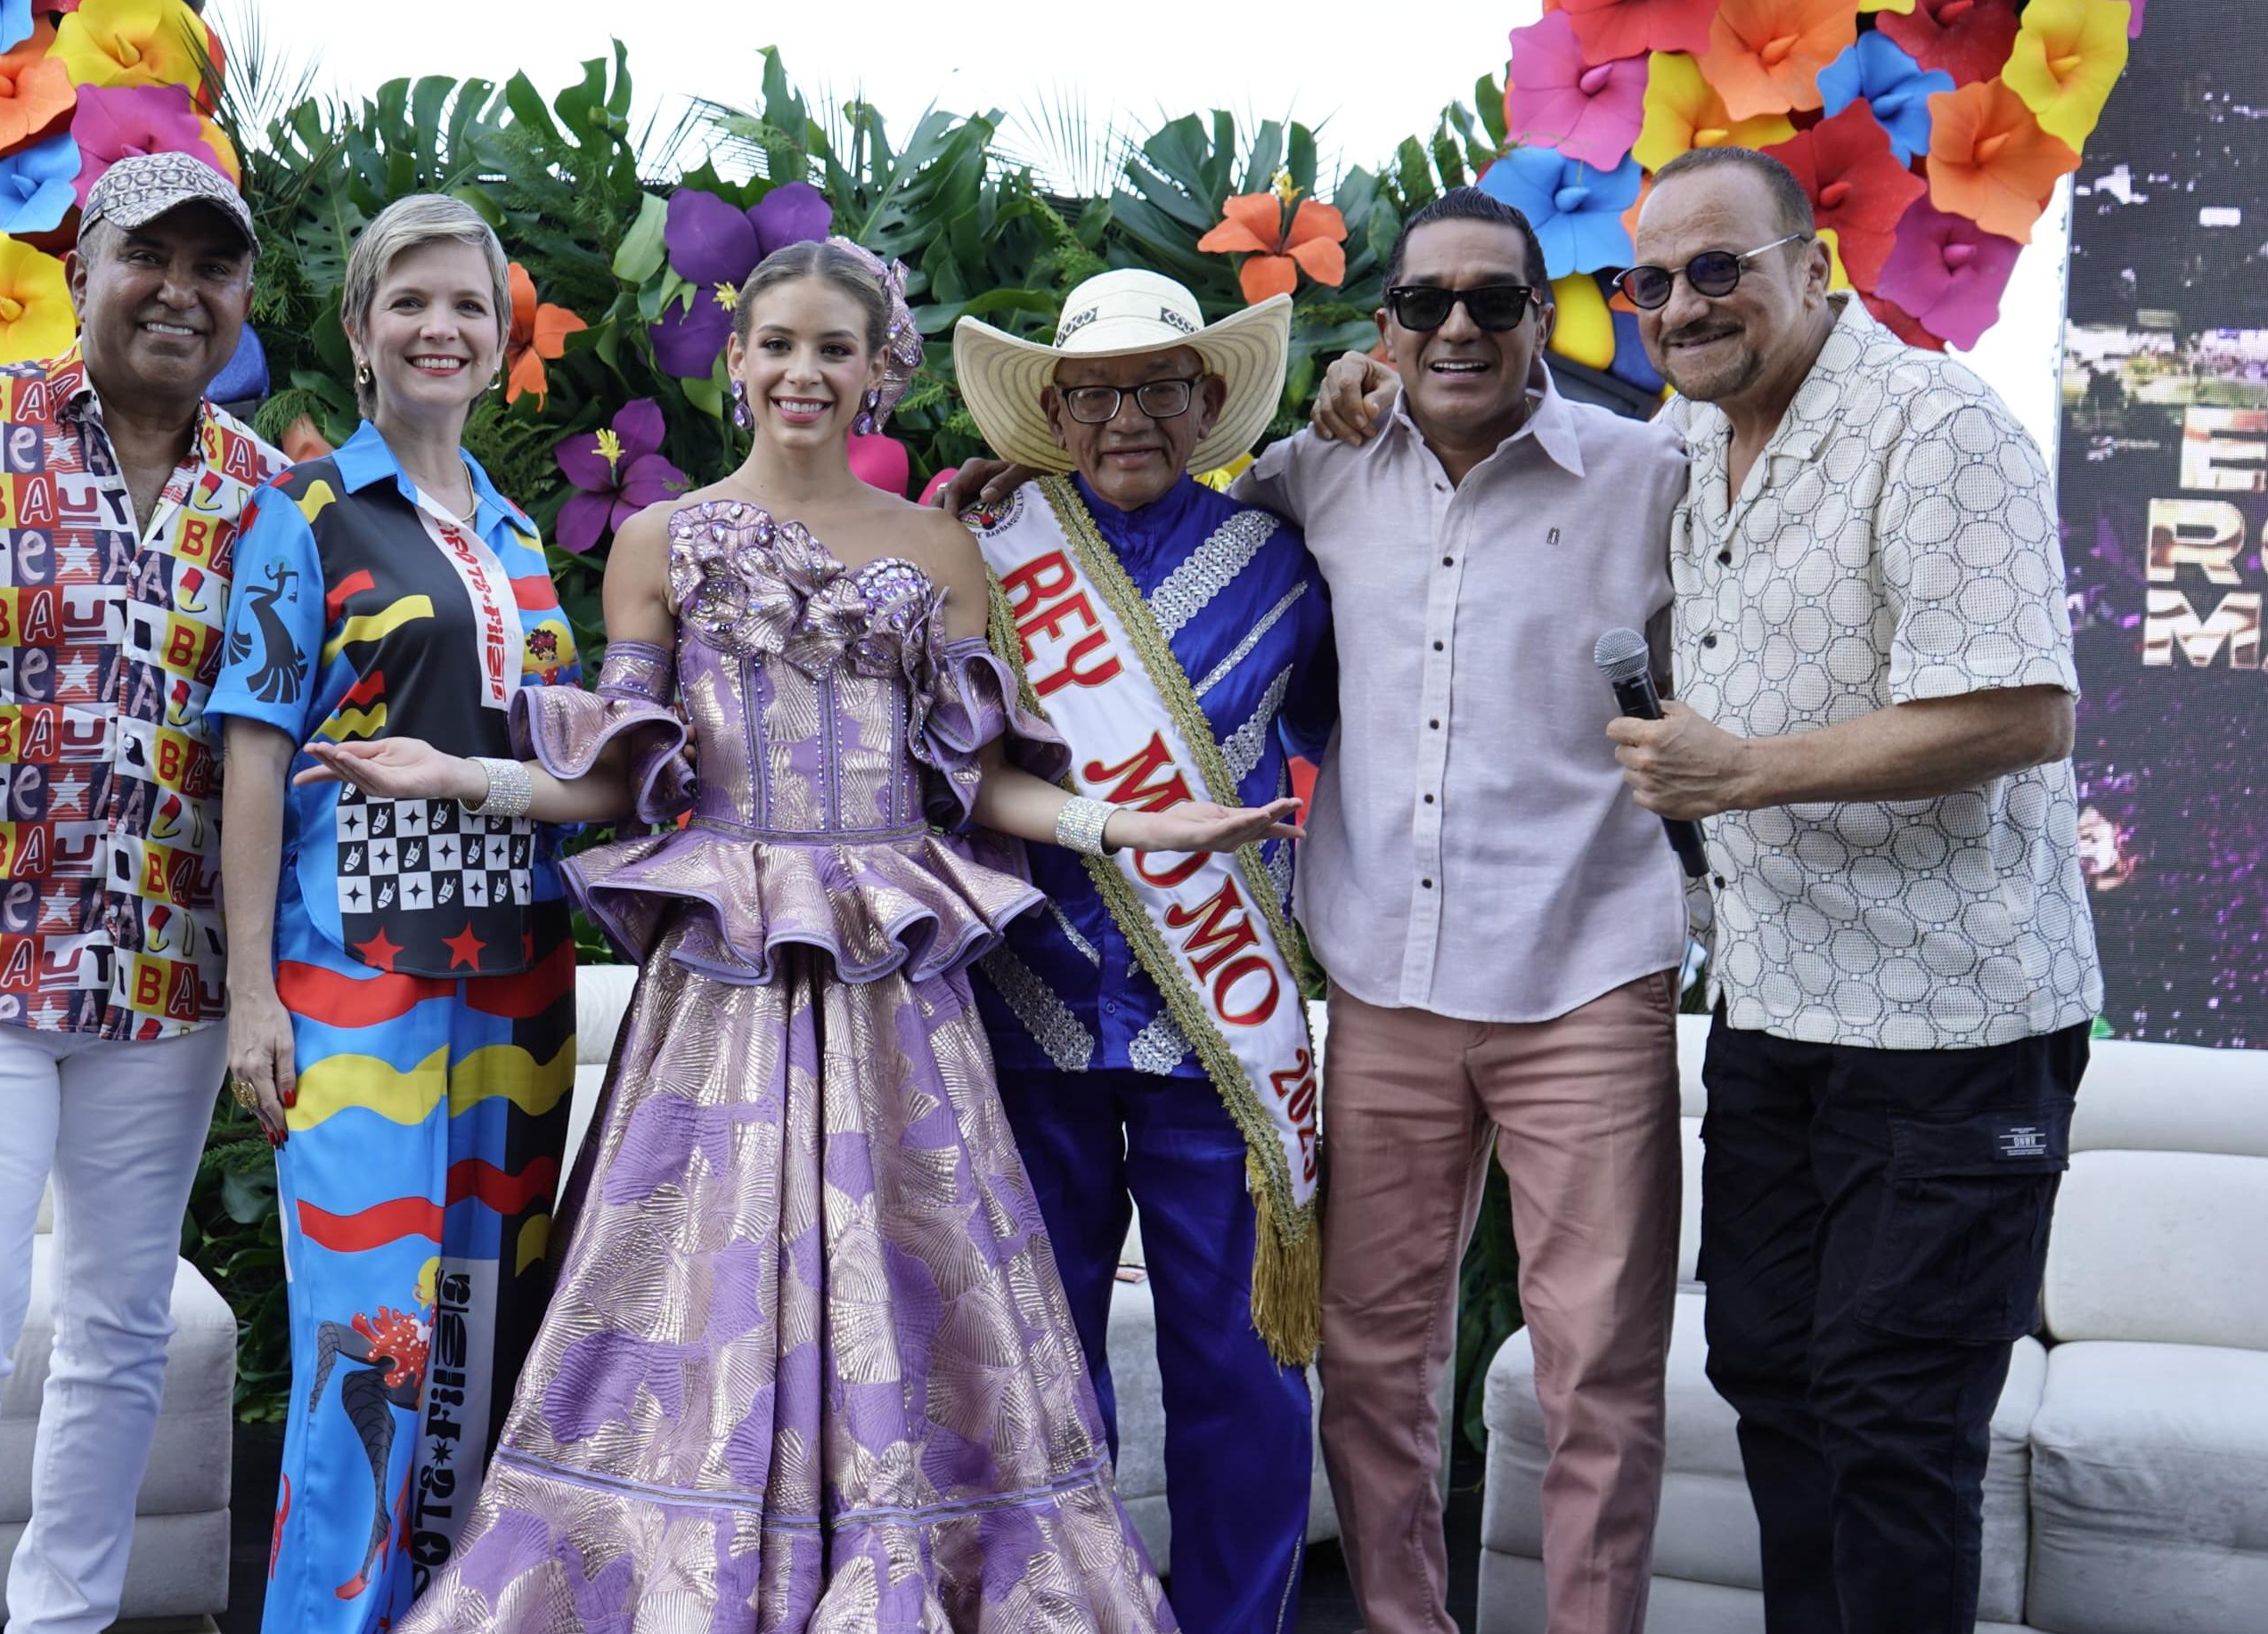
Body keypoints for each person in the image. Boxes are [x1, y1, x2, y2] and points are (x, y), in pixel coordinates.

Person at [330, 236, 1301, 1632]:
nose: (803, 370)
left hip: (894, 989)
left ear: (879, 372)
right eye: (776, 343)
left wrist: (1133, 829)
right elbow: (618, 778)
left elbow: (980, 786)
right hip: (723, 983)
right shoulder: (658, 544)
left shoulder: (939, 549)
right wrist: (468, 778)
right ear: (735, 364)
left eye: (833, 349)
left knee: (916, 1303)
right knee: (693, 1292)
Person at [1608, 146, 2100, 1634]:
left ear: (1811, 265)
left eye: (1719, 267)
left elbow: (2021, 713)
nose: (1682, 303)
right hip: (1776, 1014)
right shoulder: (1686, 441)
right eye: (1651, 280)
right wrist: (1360, 408)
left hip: (1953, 1035)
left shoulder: (1934, 428)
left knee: (1895, 1423)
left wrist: (1739, 772)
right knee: (1773, 1378)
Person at [0, 152, 288, 1634]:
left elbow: (270, 744)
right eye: (144, 256)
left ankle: (63, 1620)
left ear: (242, 300)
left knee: (118, 1328)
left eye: (211, 265)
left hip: (162, 976)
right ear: (77, 272)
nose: (178, 288)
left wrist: (255, 985)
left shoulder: (265, 492)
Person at [1264, 186, 1693, 1634]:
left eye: (1492, 302)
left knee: (1595, 1371)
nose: (1458, 327)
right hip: (1384, 975)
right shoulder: (1312, 474)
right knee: (1374, 1358)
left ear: (1539, 324)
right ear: (1380, 323)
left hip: (1589, 974)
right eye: (1426, 301)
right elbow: (1148, 516)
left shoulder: (1650, 475)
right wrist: (991, 494)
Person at [936, 266, 1336, 1634]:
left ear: (1207, 399)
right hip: (1028, 1007)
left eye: (1159, 388)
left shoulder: (1289, 563)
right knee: (1038, 1365)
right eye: (1095, 392)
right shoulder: (983, 551)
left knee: (1238, 1363)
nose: (1126, 419)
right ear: (1051, 406)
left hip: (1213, 1039)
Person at [206, 192, 583, 1634]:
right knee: (373, 1349)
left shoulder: (518, 534)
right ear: (360, 331)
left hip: (516, 984)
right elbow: (250, 755)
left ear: (500, 341)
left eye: (469, 306)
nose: (441, 327)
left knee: (487, 1334)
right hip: (351, 983)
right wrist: (254, 997)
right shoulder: (301, 511)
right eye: (411, 301)